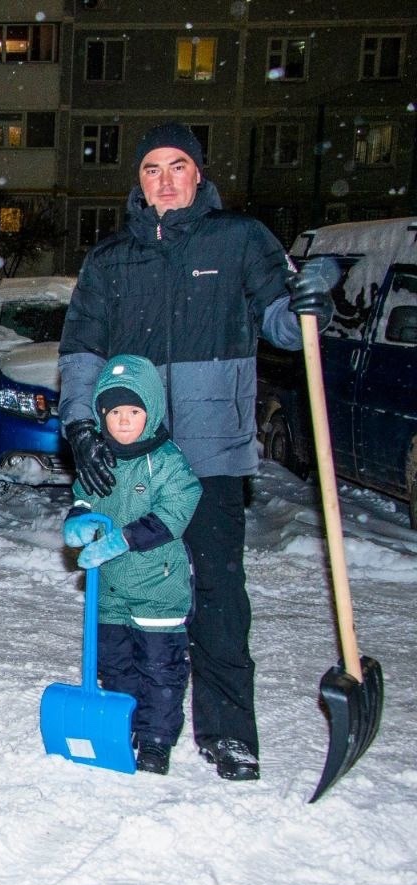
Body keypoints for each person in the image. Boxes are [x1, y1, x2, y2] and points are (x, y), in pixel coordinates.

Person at [58, 122, 335, 781]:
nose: (164, 179)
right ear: (139, 181)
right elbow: (81, 352)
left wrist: (306, 306)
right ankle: (128, 718)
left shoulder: (239, 240)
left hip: (211, 450)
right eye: (151, 169)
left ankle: (228, 733)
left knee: (217, 592)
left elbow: (278, 318)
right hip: (132, 457)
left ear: (200, 174)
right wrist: (80, 427)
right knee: (124, 587)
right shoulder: (111, 260)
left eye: (177, 166)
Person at [63, 354, 201, 776]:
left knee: (160, 669)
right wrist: (77, 520)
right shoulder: (99, 458)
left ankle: (156, 739)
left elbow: (180, 505)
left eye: (134, 412)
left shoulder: (166, 462)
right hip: (108, 591)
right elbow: (83, 494)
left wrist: (124, 539)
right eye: (114, 412)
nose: (124, 422)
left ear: (152, 411)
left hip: (157, 589)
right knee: (117, 664)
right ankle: (124, 724)